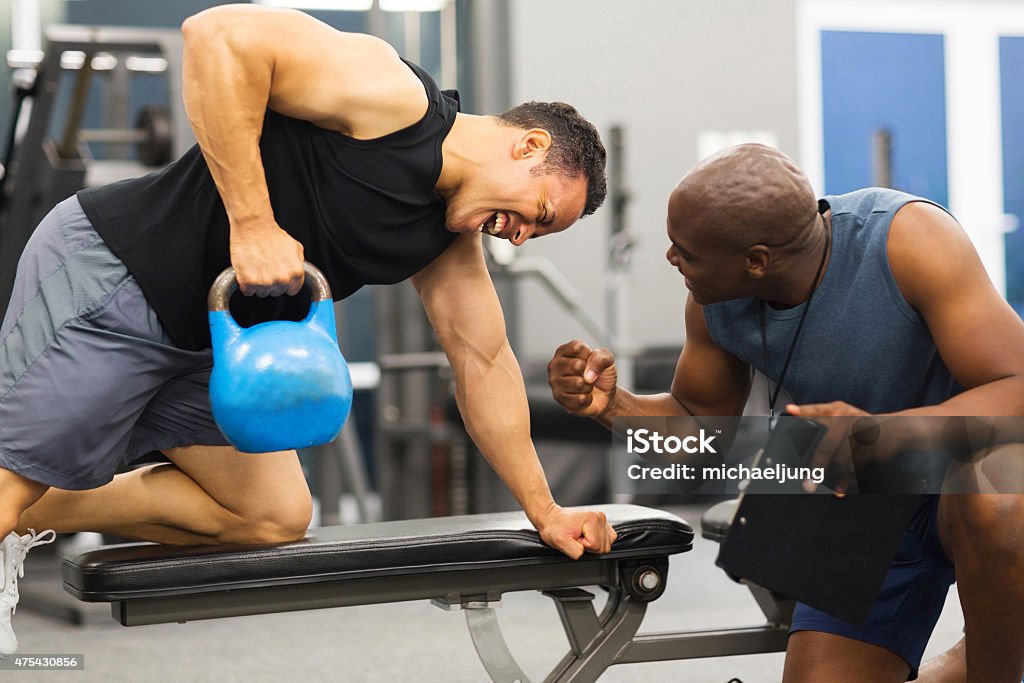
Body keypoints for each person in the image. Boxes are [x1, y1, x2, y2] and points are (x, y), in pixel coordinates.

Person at [0, 4, 618, 656]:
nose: (519, 235)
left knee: (272, 515)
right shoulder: (391, 99)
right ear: (529, 145)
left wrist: (546, 510)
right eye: (538, 213)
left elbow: (484, 362)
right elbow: (215, 35)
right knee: (9, 487)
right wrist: (253, 222)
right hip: (116, 278)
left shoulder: (445, 245)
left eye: (535, 233)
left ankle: (28, 508)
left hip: (201, 346)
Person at [547, 143, 1024, 681]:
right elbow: (703, 432)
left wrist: (882, 439)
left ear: (756, 260)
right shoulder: (711, 295)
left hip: (960, 471)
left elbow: (1017, 386)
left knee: (999, 496)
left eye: (687, 251)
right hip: (849, 491)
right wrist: (612, 407)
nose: (672, 259)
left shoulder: (909, 239)